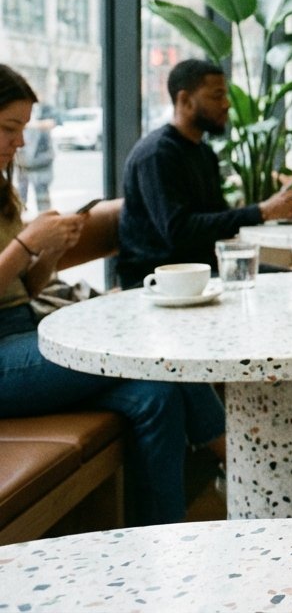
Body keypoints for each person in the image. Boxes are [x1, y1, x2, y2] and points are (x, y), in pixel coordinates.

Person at [0, 64, 226, 525]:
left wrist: (46, 253)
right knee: (154, 345)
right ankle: (234, 457)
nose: (20, 142)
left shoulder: (3, 188)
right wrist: (27, 243)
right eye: (9, 128)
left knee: (156, 393)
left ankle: (163, 543)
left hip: (23, 336)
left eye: (22, 129)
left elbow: (27, 288)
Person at [117, 59, 292, 289]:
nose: (226, 104)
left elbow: (215, 219)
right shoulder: (157, 154)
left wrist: (275, 212)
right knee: (286, 286)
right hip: (161, 278)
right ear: (185, 100)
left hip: (201, 269)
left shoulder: (204, 153)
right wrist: (261, 211)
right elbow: (178, 232)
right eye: (217, 96)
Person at [15, 104, 54, 212]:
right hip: (24, 164)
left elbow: (52, 122)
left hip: (39, 165)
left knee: (42, 196)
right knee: (21, 194)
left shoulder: (42, 123)